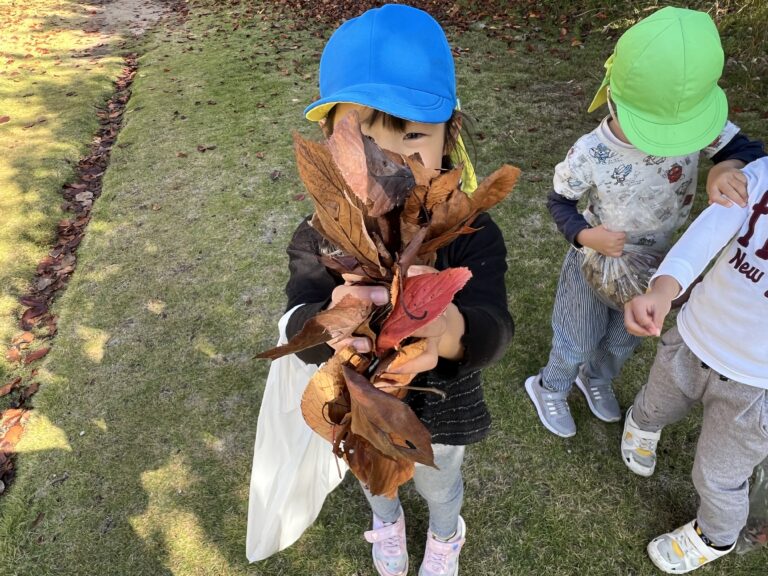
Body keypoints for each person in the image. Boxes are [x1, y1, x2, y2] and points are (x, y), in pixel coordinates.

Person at [283, 5, 513, 576]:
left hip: (442, 409)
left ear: (449, 135)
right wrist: (326, 323)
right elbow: (293, 319)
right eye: (362, 138)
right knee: (373, 475)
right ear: (328, 145)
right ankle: (386, 524)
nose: (390, 161)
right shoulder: (319, 237)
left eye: (412, 134)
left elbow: (495, 324)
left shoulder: (472, 232)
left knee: (440, 481)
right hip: (361, 407)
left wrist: (450, 328)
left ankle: (444, 535)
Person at [525, 6, 765, 438]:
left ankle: (596, 378)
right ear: (613, 99)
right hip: (594, 260)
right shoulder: (589, 152)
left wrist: (724, 167)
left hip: (656, 265)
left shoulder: (695, 126)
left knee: (624, 338)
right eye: (656, 131)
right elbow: (558, 199)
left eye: (679, 134)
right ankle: (552, 385)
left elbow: (746, 149)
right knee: (577, 334)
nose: (673, 142)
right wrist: (585, 234)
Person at [622, 156, 768, 573]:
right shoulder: (760, 176)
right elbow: (705, 235)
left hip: (758, 387)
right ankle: (642, 423)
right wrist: (663, 291)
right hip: (693, 338)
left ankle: (716, 536)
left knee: (719, 477)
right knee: (656, 404)